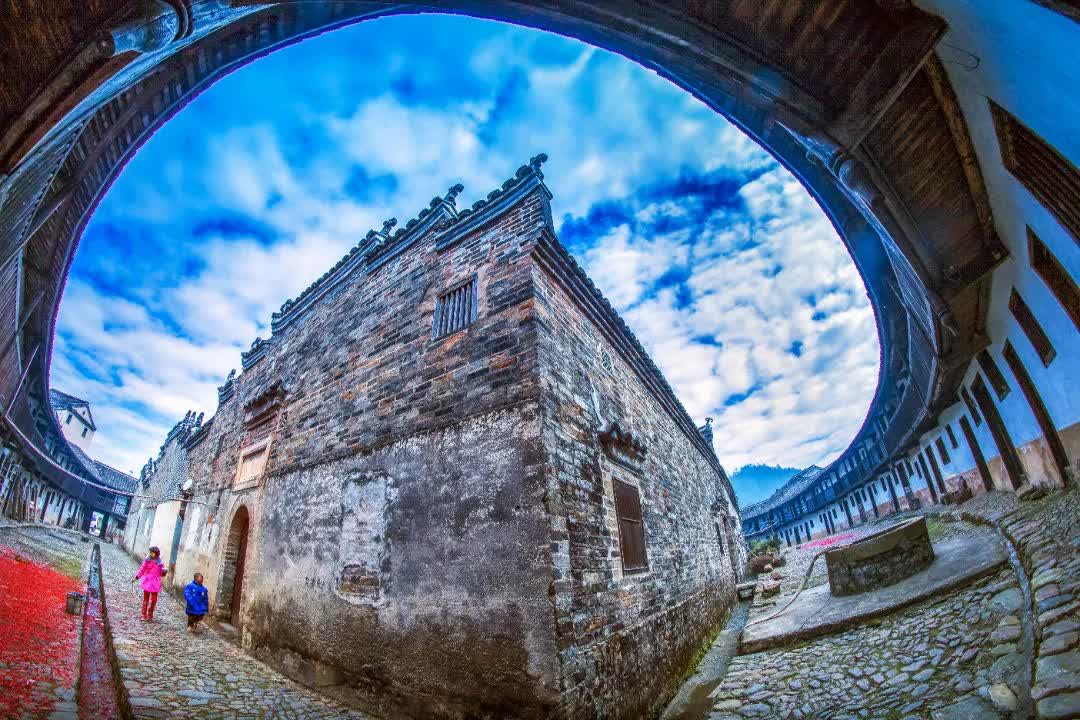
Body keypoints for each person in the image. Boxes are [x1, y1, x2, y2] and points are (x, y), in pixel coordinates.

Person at [134, 546, 167, 621]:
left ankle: (150, 613)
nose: (151, 554)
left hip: (155, 583)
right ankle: (143, 614)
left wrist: (164, 573)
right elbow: (142, 569)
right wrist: (137, 577)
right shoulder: (147, 561)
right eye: (150, 552)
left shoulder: (160, 563)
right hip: (147, 581)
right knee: (146, 599)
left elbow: (161, 574)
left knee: (154, 600)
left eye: (152, 553)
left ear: (156, 554)